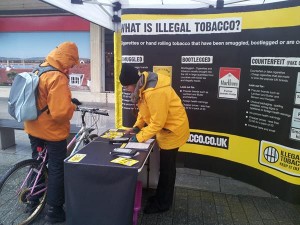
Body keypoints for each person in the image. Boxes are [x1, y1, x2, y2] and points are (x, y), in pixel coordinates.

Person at [119, 63, 190, 214]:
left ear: (133, 83)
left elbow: (158, 123)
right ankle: (160, 196)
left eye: (126, 87)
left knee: (167, 170)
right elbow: (143, 112)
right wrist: (137, 127)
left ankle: (163, 204)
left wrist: (138, 138)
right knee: (165, 169)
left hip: (173, 131)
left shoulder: (153, 92)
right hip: (166, 130)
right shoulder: (142, 88)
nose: (126, 90)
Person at [24, 42, 81, 223]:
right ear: (67, 58)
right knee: (56, 169)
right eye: (72, 64)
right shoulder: (57, 77)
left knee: (37, 163)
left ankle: (32, 200)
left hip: (33, 128)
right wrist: (71, 106)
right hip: (52, 132)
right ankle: (54, 211)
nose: (71, 68)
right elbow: (60, 114)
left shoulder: (39, 69)